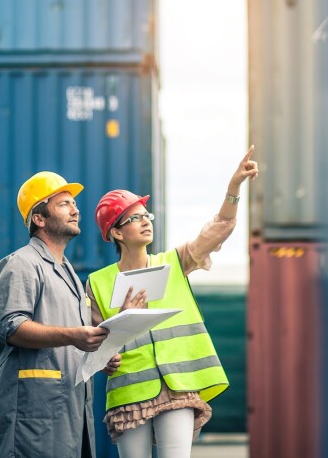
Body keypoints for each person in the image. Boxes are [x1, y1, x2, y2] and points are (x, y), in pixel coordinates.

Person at [87, 147, 259, 458]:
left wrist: (233, 189)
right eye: (134, 217)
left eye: (145, 215)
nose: (145, 221)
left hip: (178, 386)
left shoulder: (175, 262)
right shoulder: (97, 283)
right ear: (116, 232)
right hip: (130, 394)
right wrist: (114, 340)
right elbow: (94, 349)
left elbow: (219, 229)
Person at [0, 171, 121, 458]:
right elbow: (11, 328)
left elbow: (72, 341)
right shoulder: (21, 264)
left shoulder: (70, 273)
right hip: (36, 412)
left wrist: (98, 357)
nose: (75, 209)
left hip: (72, 413)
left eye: (74, 203)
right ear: (39, 218)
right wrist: (74, 337)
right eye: (64, 204)